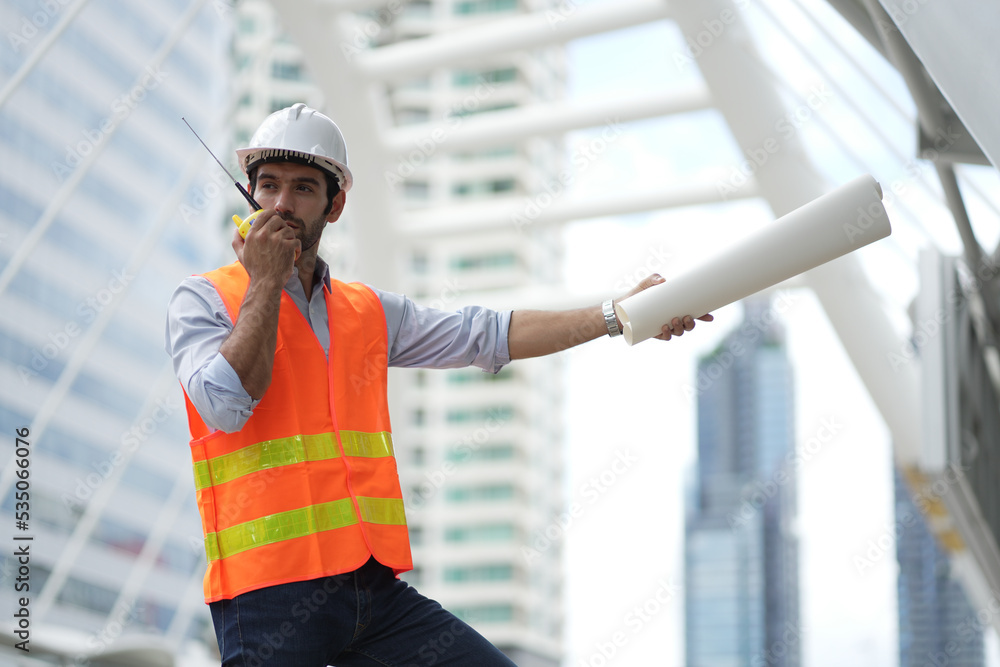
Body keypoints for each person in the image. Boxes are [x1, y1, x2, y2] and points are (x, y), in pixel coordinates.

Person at [165, 103, 711, 666]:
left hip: (370, 591)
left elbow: (488, 334)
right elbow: (227, 406)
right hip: (267, 597)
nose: (282, 204)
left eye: (304, 188)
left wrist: (619, 313)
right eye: (269, 186)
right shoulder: (203, 299)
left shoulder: (368, 312)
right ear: (248, 195)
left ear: (336, 204)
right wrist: (265, 283)